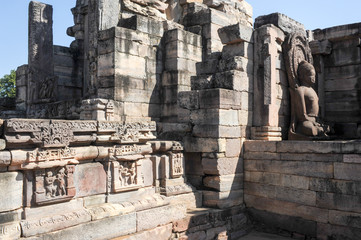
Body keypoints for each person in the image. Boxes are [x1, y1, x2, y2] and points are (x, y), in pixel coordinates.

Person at [293, 61, 326, 137]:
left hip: (315, 121)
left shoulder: (313, 91)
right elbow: (302, 115)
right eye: (311, 75)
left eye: (314, 76)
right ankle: (319, 130)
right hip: (305, 121)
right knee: (310, 129)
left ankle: (319, 129)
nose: (313, 78)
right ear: (302, 76)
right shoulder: (300, 90)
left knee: (327, 128)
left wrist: (317, 122)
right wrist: (312, 121)